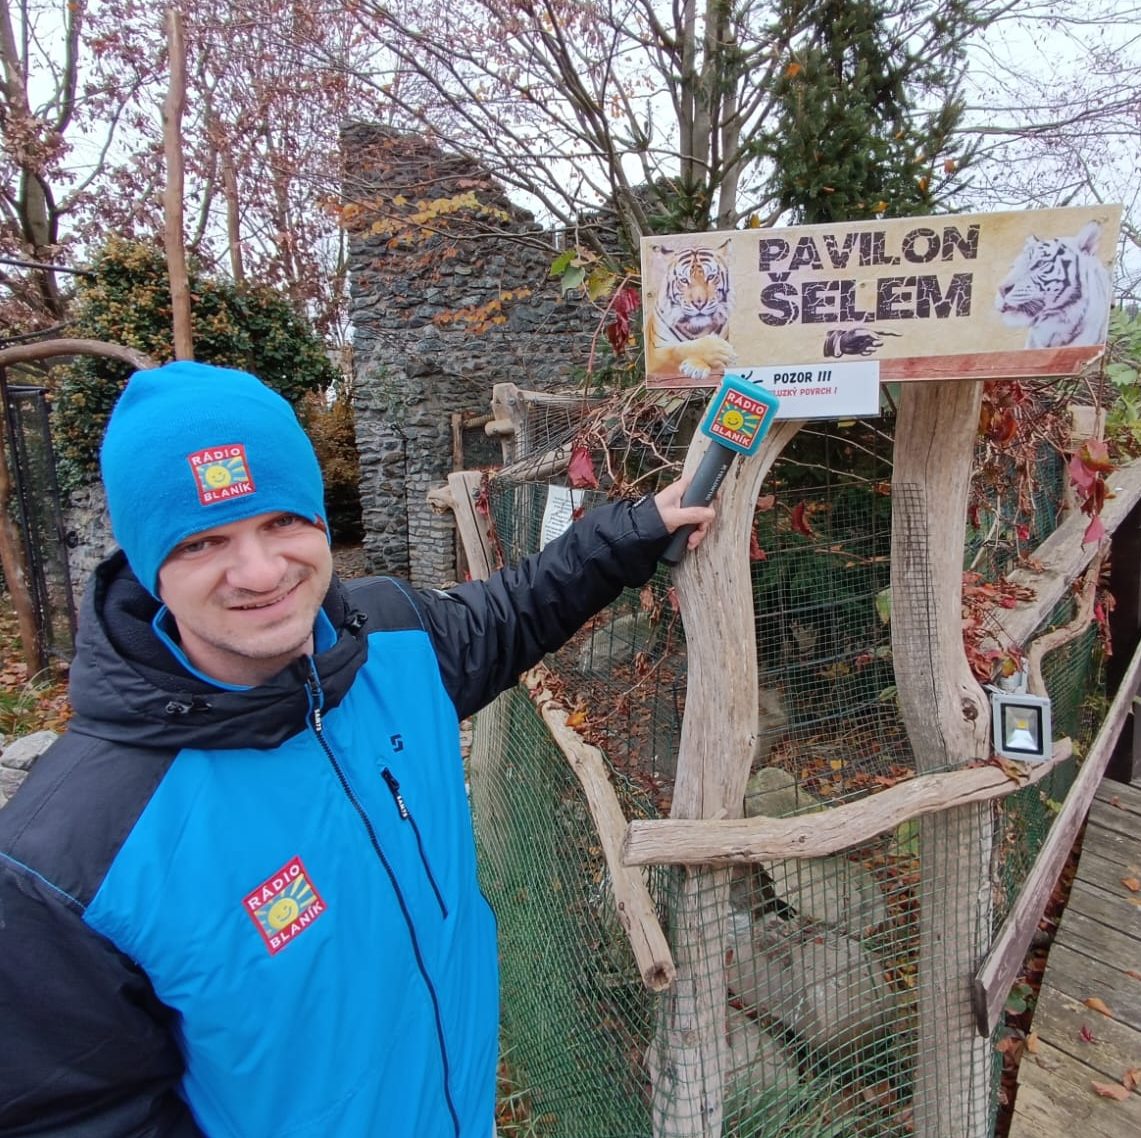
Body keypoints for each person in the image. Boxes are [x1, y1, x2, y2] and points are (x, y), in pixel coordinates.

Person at [0, 361, 714, 1137]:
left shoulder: (392, 641)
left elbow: (514, 609)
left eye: (282, 521)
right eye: (204, 541)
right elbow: (72, 1117)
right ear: (148, 564)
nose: (261, 571)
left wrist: (634, 529)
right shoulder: (67, 861)